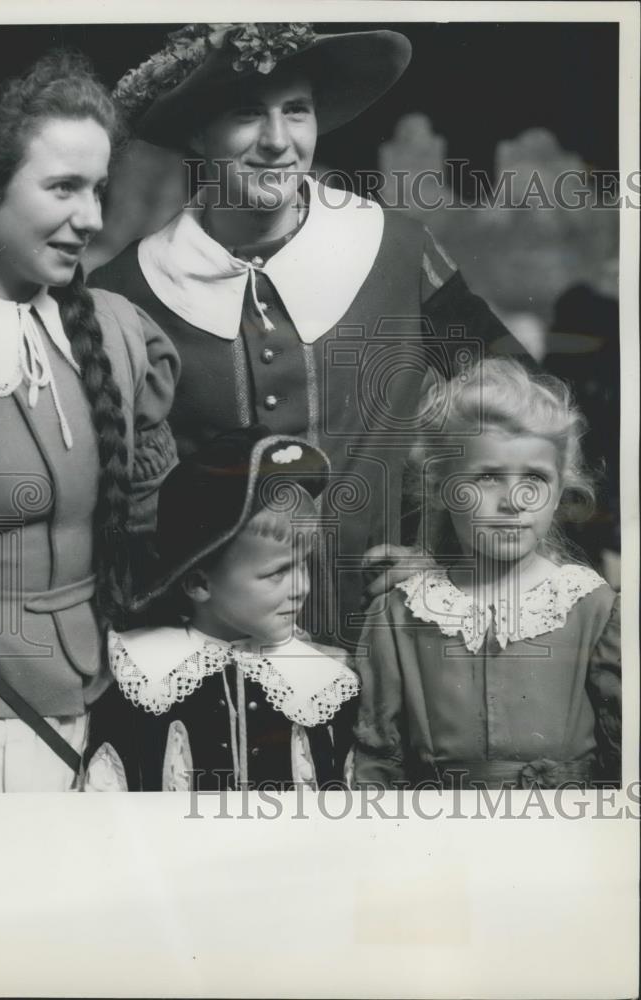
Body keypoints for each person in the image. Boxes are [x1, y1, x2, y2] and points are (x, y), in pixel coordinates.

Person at [89, 22, 535, 650]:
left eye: (296, 111)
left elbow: (524, 411)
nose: (277, 141)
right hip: (216, 662)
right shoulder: (125, 292)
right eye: (247, 113)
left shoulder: (398, 251)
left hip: (395, 641)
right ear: (196, 130)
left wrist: (447, 553)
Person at [0, 51, 180, 793]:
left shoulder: (120, 333)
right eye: (63, 187)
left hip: (106, 714)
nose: (91, 219)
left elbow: (160, 535)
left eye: (98, 189)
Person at [352, 359, 621, 789]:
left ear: (559, 493)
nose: (514, 501)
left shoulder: (595, 608)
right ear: (442, 486)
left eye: (535, 477)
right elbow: (377, 763)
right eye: (489, 478)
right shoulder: (399, 613)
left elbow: (625, 758)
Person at [86, 426, 360, 791]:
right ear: (199, 583)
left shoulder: (325, 684)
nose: (302, 587)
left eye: (303, 564)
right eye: (277, 572)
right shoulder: (140, 676)